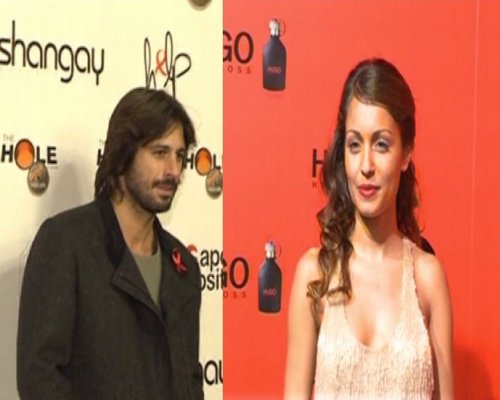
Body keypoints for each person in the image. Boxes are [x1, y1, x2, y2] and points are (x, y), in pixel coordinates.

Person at [17, 88, 204, 399]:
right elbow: (40, 377)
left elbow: (189, 381)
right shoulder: (66, 244)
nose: (174, 170)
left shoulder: (182, 266)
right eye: (160, 153)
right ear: (122, 156)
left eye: (180, 156)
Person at [284, 58, 453, 399]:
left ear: (406, 153)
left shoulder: (427, 278)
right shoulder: (314, 275)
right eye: (354, 145)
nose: (365, 166)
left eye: (381, 144)